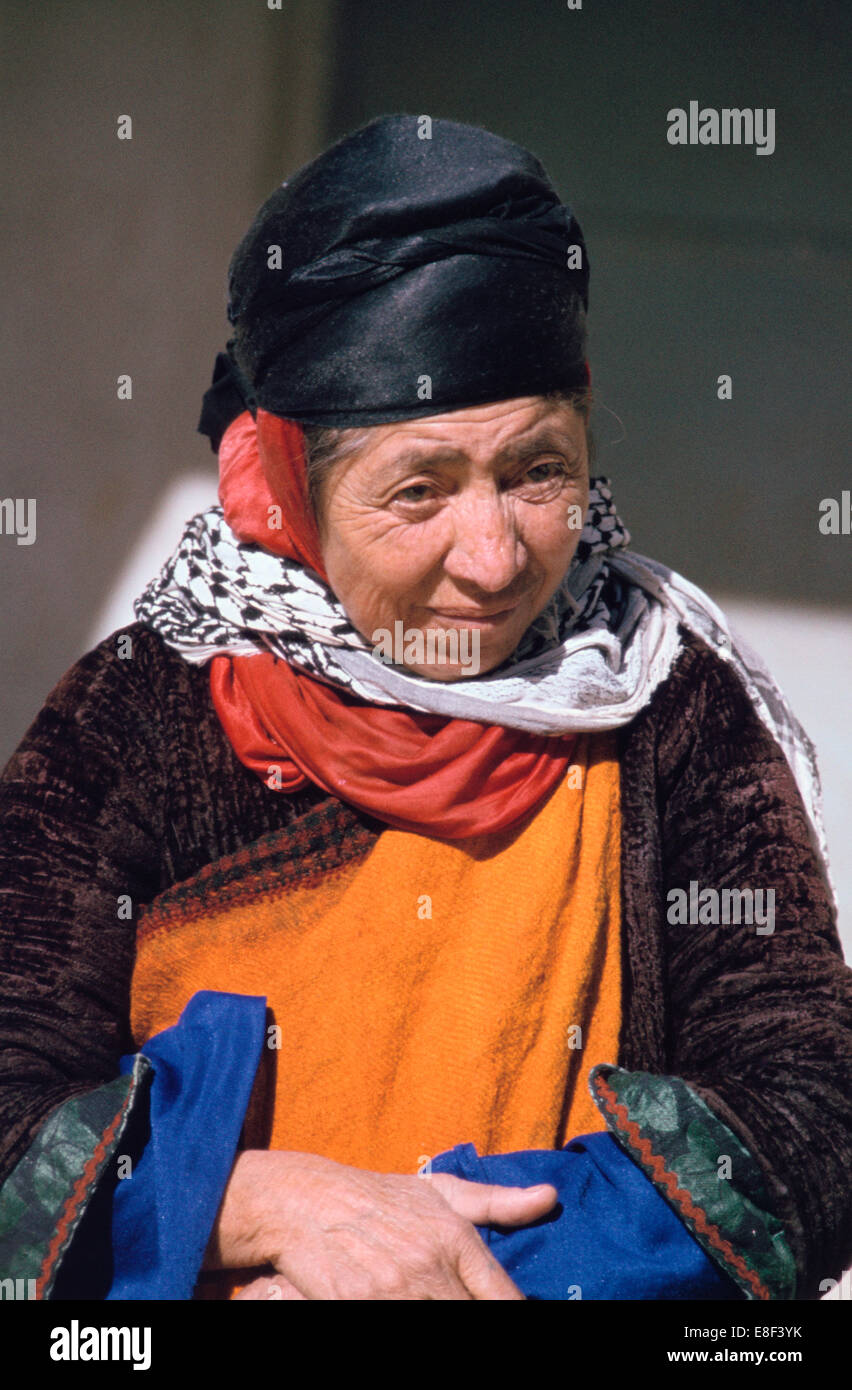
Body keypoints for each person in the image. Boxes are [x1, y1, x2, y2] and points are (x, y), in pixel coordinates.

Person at [0, 115, 850, 1303]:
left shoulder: (663, 701)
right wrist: (249, 1207)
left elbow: (808, 1111)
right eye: (420, 489)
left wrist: (445, 1263)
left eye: (538, 470)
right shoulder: (137, 720)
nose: (495, 559)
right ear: (283, 484)